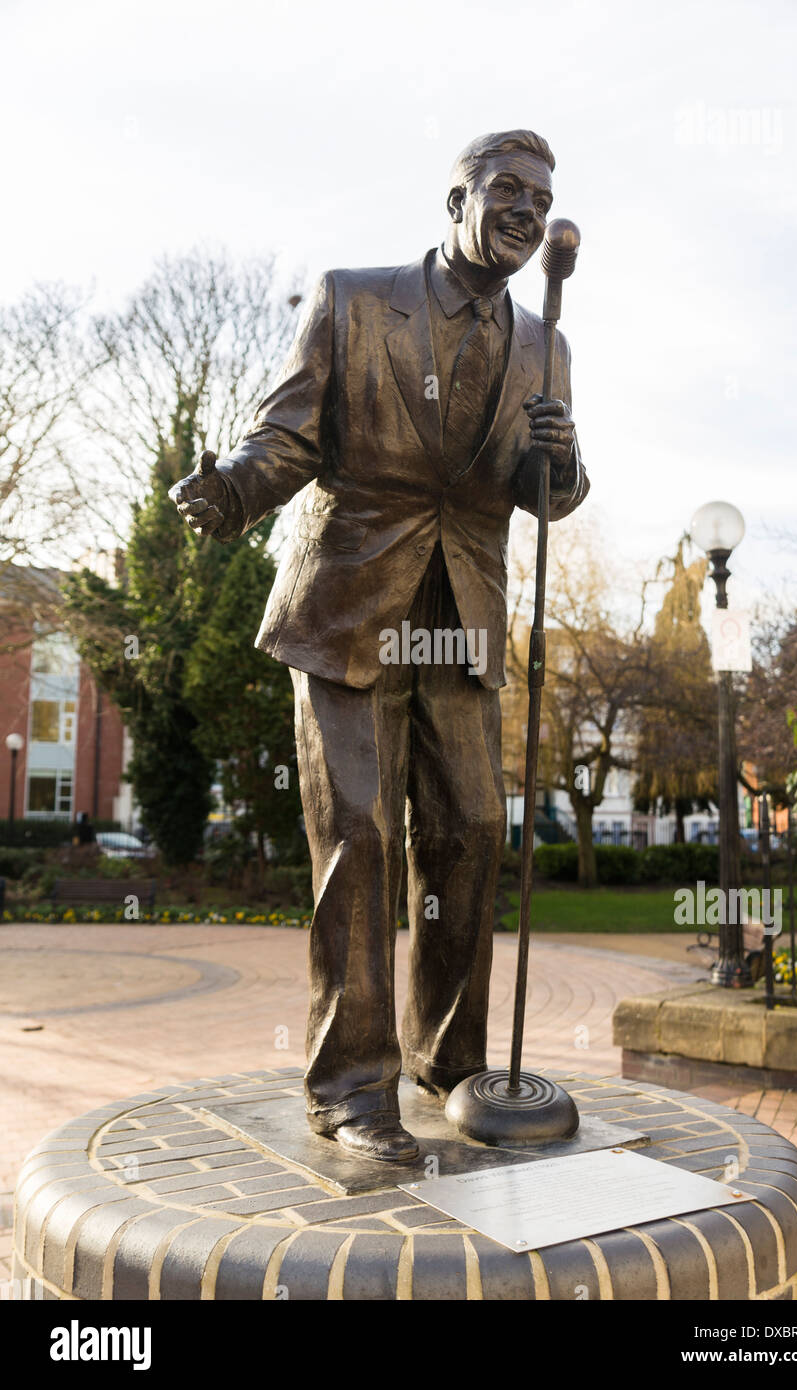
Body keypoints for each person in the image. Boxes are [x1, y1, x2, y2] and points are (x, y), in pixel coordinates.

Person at [169, 130, 589, 1161]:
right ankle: (352, 1090)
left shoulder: (546, 341)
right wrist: (228, 490)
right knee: (355, 837)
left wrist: (563, 459)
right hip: (349, 604)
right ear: (455, 199)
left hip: (462, 618)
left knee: (471, 831)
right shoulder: (353, 299)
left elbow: (547, 498)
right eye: (507, 190)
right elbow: (289, 438)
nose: (527, 211)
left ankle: (448, 1065)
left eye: (542, 197)